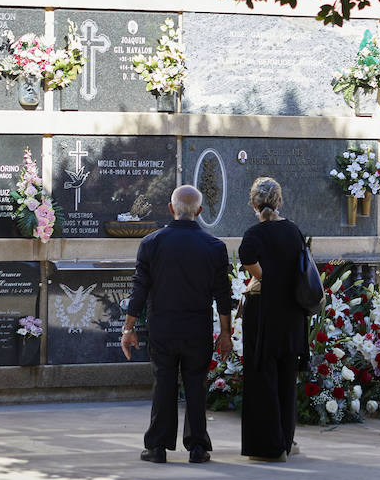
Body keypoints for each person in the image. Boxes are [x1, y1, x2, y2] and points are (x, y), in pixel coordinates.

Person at [121, 185, 232, 464]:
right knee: (196, 384)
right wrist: (226, 333)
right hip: (197, 328)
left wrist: (128, 327)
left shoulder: (151, 243)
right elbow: (222, 294)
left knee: (164, 383)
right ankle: (197, 447)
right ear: (200, 212)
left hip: (163, 327)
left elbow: (140, 288)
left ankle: (157, 446)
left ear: (171, 209)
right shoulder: (215, 247)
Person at [238, 177, 309, 462]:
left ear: (253, 203)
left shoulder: (254, 234)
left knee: (262, 379)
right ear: (279, 202)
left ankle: (268, 445)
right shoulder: (293, 231)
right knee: (285, 379)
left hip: (263, 314)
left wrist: (267, 276)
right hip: (291, 314)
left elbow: (250, 262)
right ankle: (286, 440)